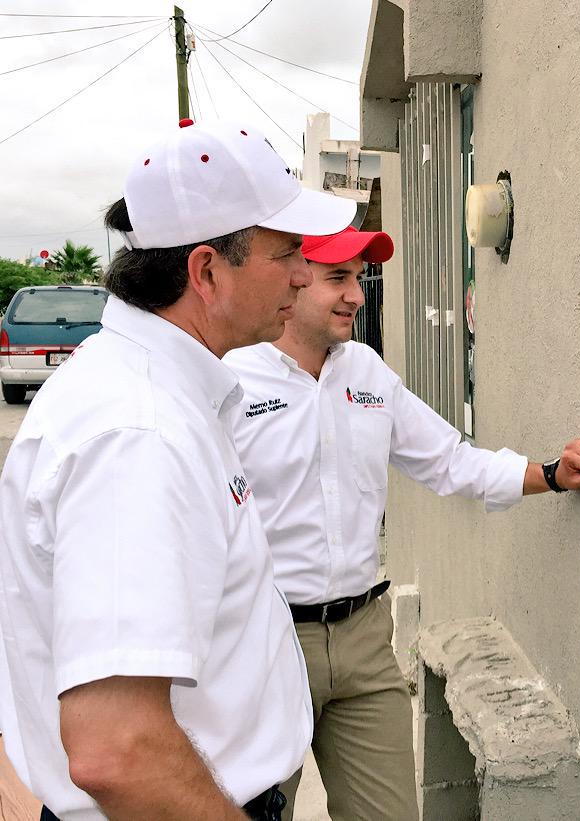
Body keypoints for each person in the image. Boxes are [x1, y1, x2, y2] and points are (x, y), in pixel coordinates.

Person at [0, 118, 356, 821]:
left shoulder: (152, 395)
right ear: (206, 271)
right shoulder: (142, 433)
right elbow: (117, 749)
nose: (304, 274)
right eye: (287, 253)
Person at [223, 226, 580, 821]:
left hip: (364, 638)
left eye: (357, 278)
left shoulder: (367, 371)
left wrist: (550, 474)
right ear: (292, 279)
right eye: (337, 278)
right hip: (265, 640)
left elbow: (448, 459)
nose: (355, 295)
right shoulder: (230, 378)